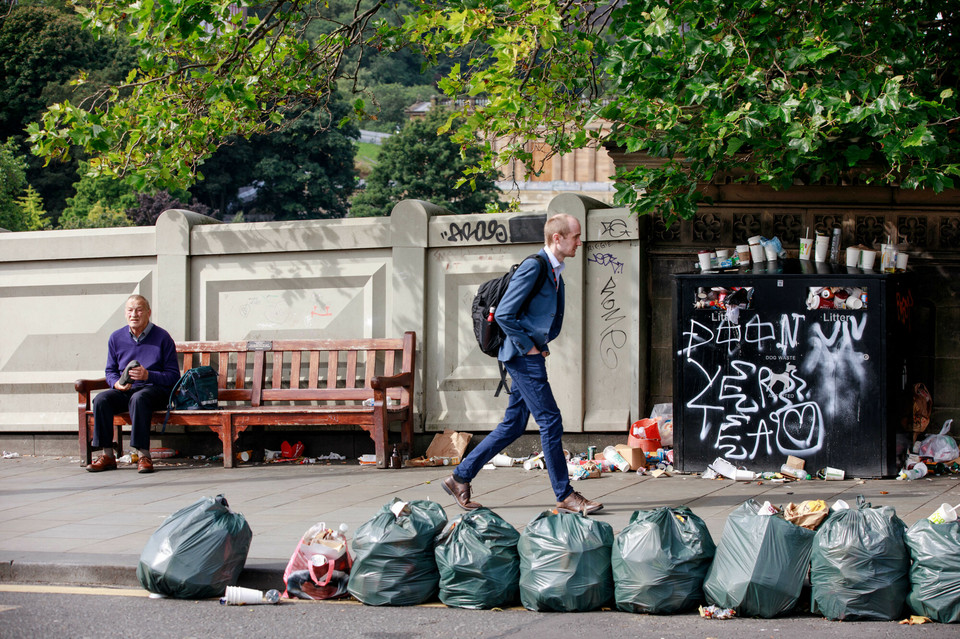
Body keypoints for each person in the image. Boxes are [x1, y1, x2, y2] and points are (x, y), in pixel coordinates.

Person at [442, 214, 603, 514]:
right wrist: (529, 347)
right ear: (558, 238)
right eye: (576, 236)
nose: (580, 242)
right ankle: (564, 494)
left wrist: (539, 346)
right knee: (550, 421)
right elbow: (504, 314)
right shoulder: (535, 266)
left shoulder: (554, 270)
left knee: (513, 425)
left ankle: (459, 477)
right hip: (521, 358)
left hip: (527, 355)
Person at [87, 295, 181, 474]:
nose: (134, 314)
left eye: (139, 310)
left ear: (148, 312)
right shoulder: (116, 337)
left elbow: (173, 376)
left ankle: (143, 455)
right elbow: (110, 371)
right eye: (130, 310)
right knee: (101, 399)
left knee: (139, 398)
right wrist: (116, 384)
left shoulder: (162, 337)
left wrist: (148, 375)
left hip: (154, 391)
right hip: (126, 390)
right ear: (125, 314)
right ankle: (107, 455)